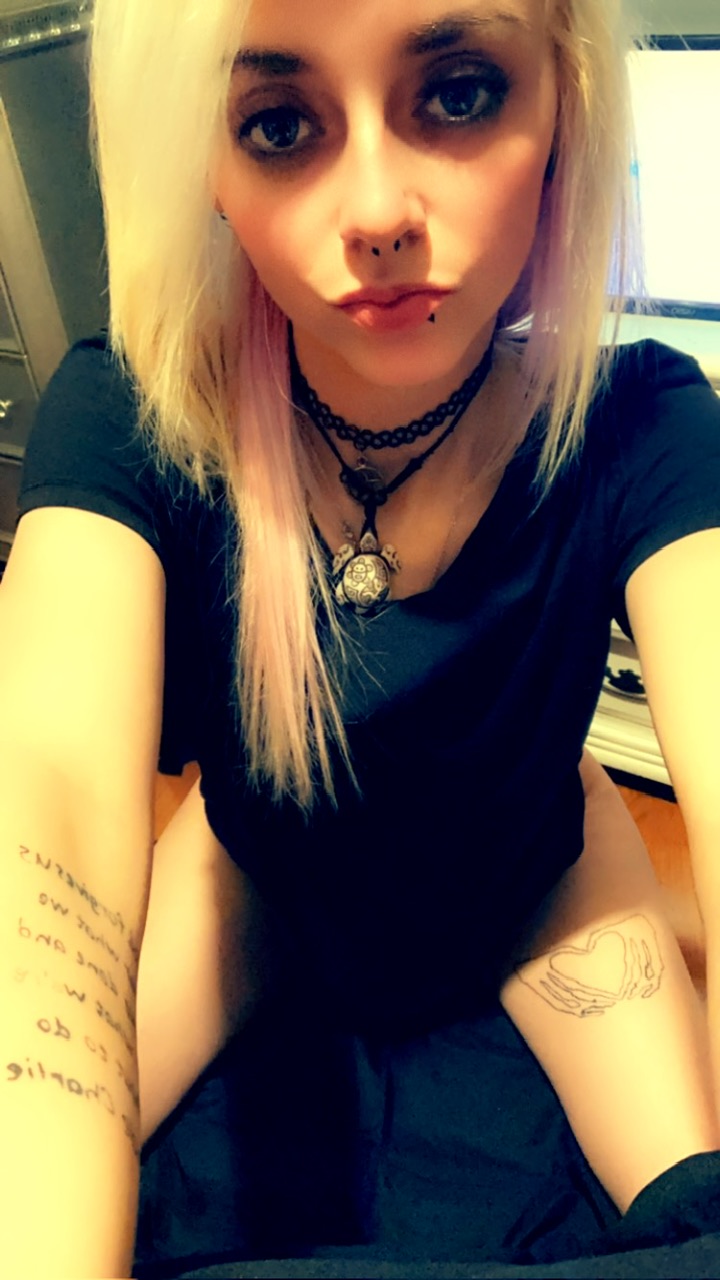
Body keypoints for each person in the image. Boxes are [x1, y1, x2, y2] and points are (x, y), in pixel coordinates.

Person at [1, 0, 720, 1275]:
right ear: (207, 167)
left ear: (563, 105)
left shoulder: (645, 424)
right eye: (279, 124)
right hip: (254, 879)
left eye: (458, 92)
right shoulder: (131, 415)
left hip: (541, 884)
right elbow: (46, 781)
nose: (379, 212)